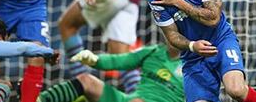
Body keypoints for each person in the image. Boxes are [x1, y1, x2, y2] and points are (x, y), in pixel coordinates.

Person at [37, 38, 184, 102]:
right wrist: (95, 60)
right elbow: (120, 60)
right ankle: (38, 100)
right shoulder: (154, 51)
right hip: (130, 100)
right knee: (86, 81)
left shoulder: (195, 67)